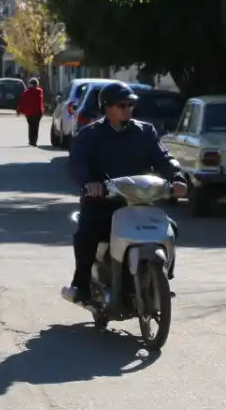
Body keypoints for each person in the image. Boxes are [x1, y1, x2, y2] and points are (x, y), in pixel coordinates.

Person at [63, 81, 188, 305]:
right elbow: (77, 164)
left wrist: (177, 178)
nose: (127, 109)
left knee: (170, 228)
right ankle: (81, 285)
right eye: (121, 105)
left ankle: (161, 280)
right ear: (106, 107)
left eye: (131, 104)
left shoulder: (145, 131)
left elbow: (163, 158)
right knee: (87, 233)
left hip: (138, 201)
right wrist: (90, 183)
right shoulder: (89, 134)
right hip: (102, 202)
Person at [17, 77, 45, 146]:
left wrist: (19, 110)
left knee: (31, 126)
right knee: (35, 127)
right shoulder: (39, 91)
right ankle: (34, 141)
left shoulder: (26, 92)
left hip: (29, 113)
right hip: (38, 113)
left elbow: (22, 102)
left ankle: (31, 140)